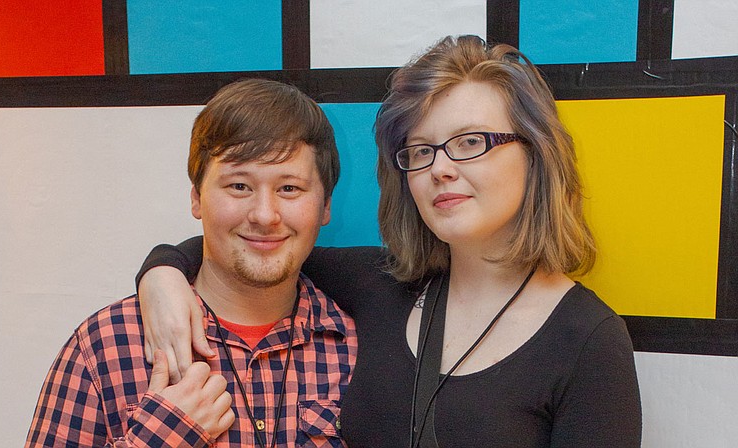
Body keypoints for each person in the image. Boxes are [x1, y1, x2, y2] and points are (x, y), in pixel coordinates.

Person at [137, 36, 642, 447]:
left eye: (470, 142)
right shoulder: (380, 286)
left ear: (535, 153)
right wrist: (163, 273)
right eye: (421, 150)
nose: (440, 168)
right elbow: (258, 244)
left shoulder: (587, 340)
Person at [26, 78, 357, 447]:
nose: (265, 215)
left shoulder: (359, 348)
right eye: (239, 186)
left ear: (325, 205)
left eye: (289, 189)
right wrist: (158, 438)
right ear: (197, 198)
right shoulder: (105, 346)